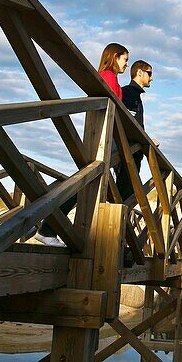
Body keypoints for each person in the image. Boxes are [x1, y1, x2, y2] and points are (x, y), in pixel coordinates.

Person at [35, 42, 129, 247]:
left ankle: (80, 235)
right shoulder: (108, 77)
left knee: (93, 185)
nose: (126, 64)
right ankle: (48, 228)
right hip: (104, 139)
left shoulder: (112, 79)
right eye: (125, 59)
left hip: (106, 138)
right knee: (84, 183)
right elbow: (110, 110)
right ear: (114, 57)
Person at [116, 60, 154, 203]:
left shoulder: (134, 94)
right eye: (149, 73)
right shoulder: (128, 92)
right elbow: (129, 123)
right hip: (127, 151)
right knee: (124, 192)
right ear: (139, 73)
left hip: (131, 151)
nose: (151, 78)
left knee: (124, 192)